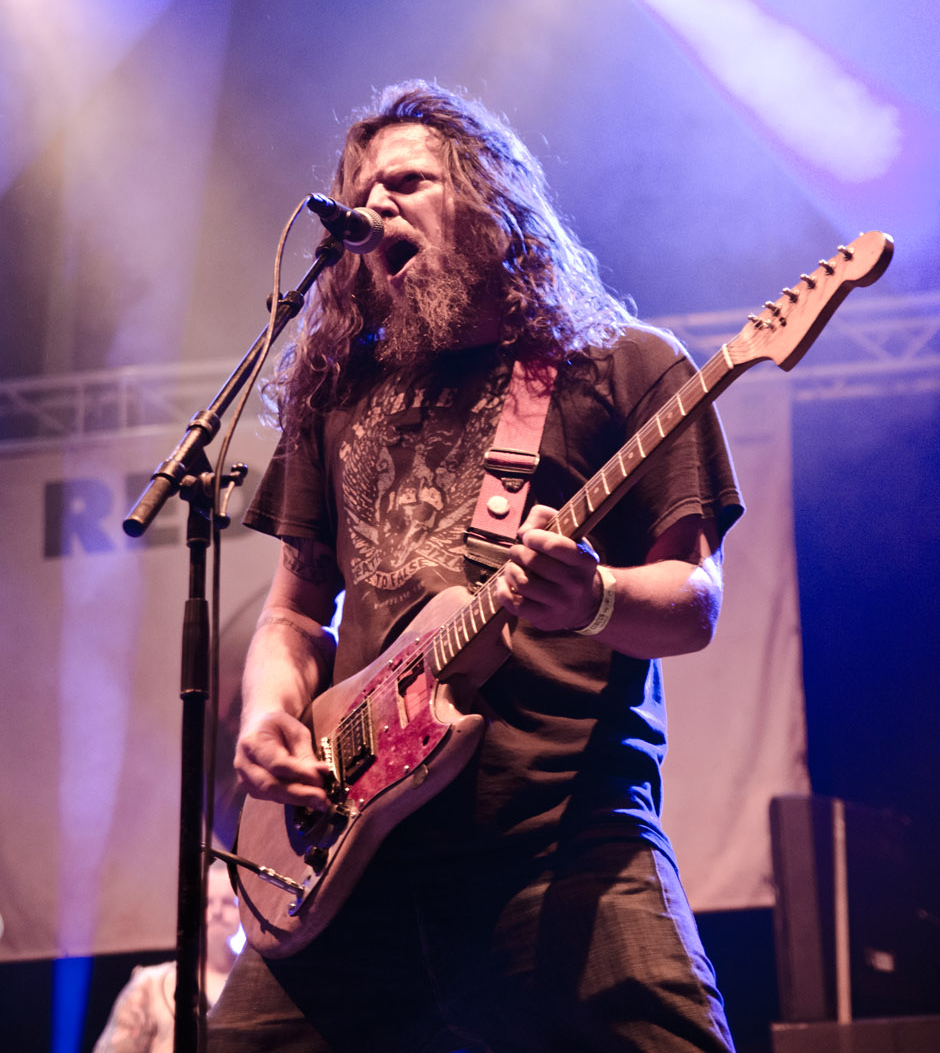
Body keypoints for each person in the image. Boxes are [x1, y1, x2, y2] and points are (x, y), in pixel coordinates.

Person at [209, 81, 744, 1053]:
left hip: (561, 846)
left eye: (406, 182)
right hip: (351, 853)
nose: (374, 210)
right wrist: (266, 712)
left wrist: (595, 599)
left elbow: (694, 603)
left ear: (488, 199)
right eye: (361, 192)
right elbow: (294, 613)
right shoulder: (336, 391)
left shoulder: (621, 365)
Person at [94, 861, 240, 1052]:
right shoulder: (151, 985)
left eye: (229, 903)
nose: (217, 911)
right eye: (207, 902)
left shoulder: (255, 986)